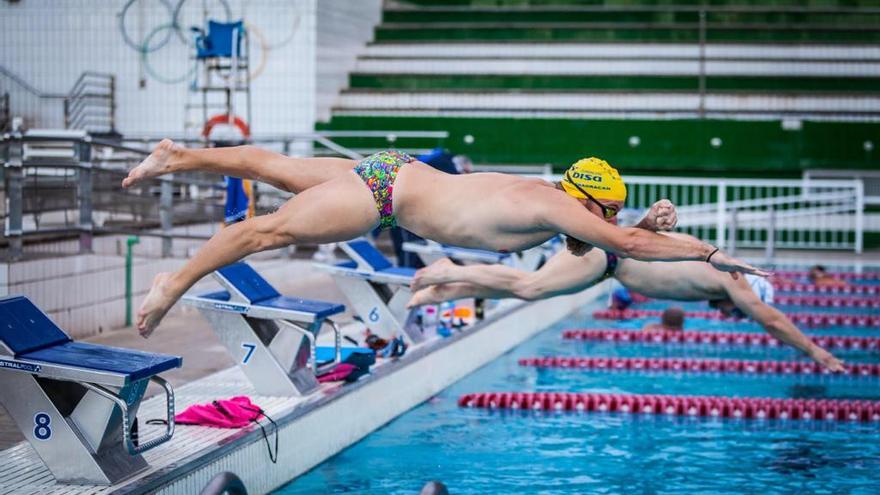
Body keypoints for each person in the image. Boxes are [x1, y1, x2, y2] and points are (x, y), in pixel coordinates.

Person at [123, 141, 767, 336]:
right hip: (386, 195)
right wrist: (708, 251)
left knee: (271, 168)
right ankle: (173, 283)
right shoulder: (559, 207)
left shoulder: (555, 203)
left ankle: (176, 156)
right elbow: (624, 247)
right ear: (589, 199)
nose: (608, 219)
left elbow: (609, 238)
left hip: (394, 175)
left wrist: (641, 225)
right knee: (264, 231)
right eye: (609, 209)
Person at [408, 244, 843, 372]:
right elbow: (771, 320)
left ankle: (449, 288)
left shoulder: (719, 274)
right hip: (607, 259)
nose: (734, 317)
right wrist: (816, 352)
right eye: (738, 313)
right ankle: (448, 270)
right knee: (529, 285)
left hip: (608, 266)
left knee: (531, 290)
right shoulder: (734, 279)